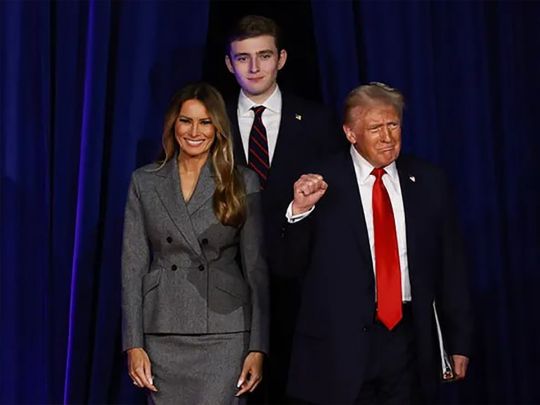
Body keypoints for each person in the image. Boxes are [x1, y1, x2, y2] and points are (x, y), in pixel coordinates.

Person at [280, 82, 473, 404]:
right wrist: (299, 211)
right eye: (375, 128)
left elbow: (451, 267)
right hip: (339, 348)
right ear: (350, 133)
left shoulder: (429, 181)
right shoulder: (319, 182)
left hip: (409, 344)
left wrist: (459, 341)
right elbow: (288, 264)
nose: (387, 137)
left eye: (393, 125)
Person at [121, 82, 269, 404]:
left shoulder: (241, 181)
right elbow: (132, 268)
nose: (194, 131)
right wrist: (133, 343)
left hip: (225, 332)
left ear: (218, 128)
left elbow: (256, 269)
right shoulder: (144, 181)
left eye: (205, 122)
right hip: (163, 329)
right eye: (186, 121)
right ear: (173, 124)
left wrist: (258, 346)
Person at [224, 15, 346, 403]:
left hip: (299, 289)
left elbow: (336, 204)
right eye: (243, 58)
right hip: (226, 291)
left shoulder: (318, 121)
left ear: (281, 58)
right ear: (229, 63)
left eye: (264, 56)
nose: (254, 67)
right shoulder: (211, 122)